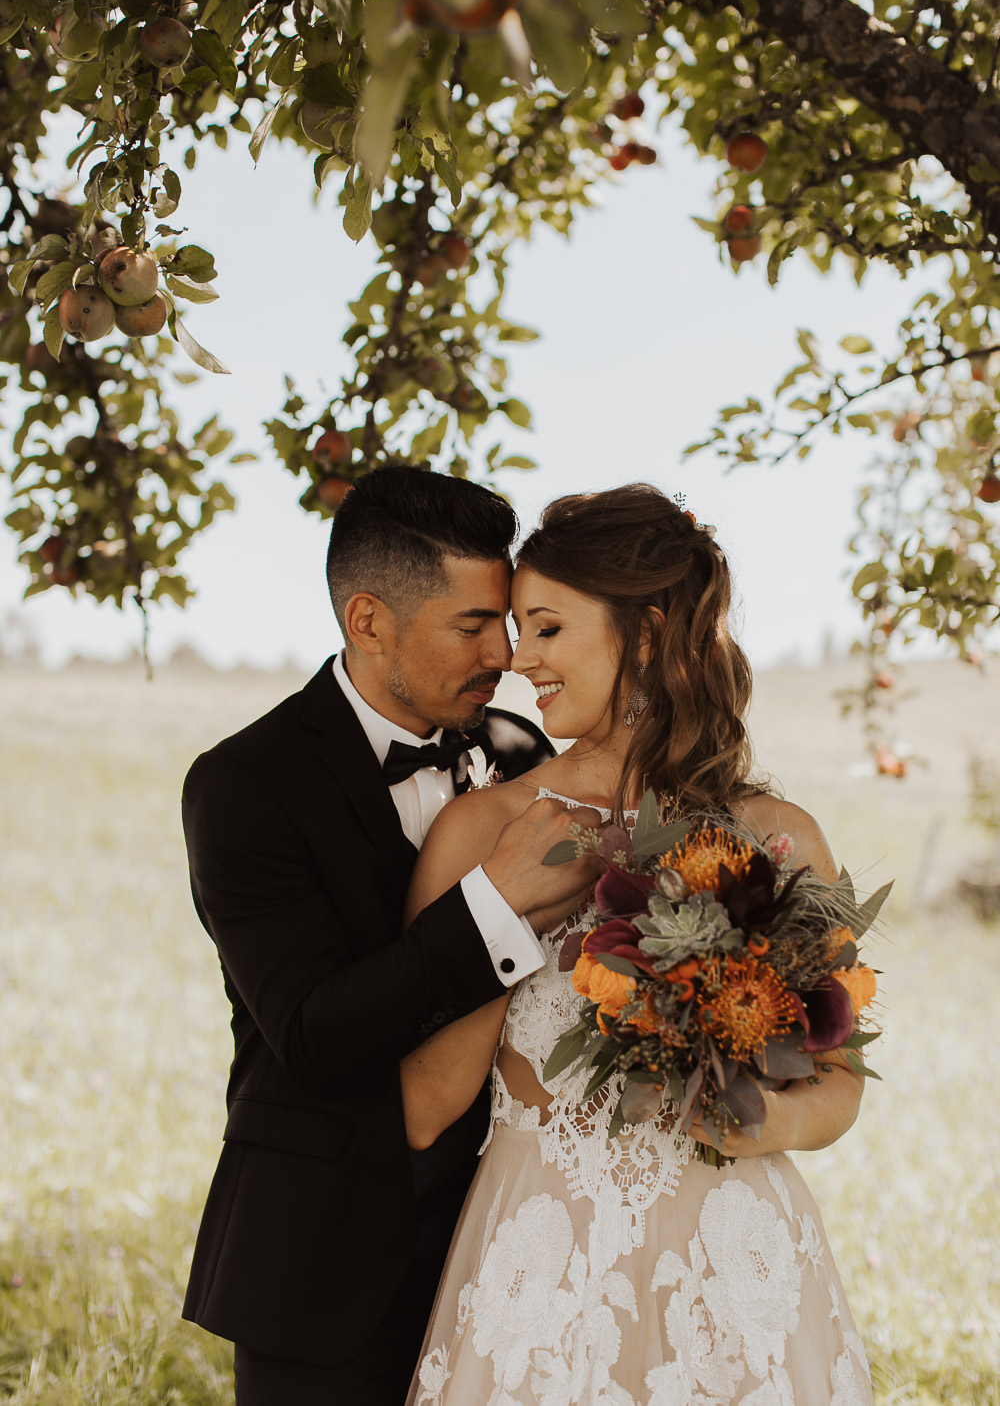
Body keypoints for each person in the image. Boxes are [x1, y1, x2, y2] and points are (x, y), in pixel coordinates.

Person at [403, 484, 875, 1405]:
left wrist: (767, 1122)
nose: (516, 661)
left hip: (738, 1277)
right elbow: (426, 1106)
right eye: (513, 629)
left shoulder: (780, 840)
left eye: (546, 629)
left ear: (649, 634)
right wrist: (508, 908)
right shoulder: (479, 832)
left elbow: (841, 1085)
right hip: (543, 1283)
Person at [180, 466, 604, 1405]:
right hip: (320, 1255)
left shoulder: (520, 757)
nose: (503, 653)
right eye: (471, 626)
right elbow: (315, 1033)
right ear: (368, 620)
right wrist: (497, 901)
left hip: (510, 1246)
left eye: (508, 621)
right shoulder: (243, 787)